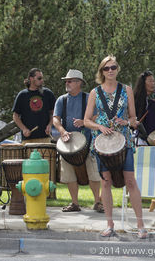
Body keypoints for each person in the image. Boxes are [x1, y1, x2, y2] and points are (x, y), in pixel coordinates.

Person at [83, 55, 147, 239]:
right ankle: (110, 224)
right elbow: (86, 120)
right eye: (106, 68)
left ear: (117, 69)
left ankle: (140, 224)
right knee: (105, 182)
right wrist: (100, 127)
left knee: (130, 181)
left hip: (124, 141)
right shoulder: (95, 92)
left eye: (113, 67)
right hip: (103, 143)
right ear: (101, 71)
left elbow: (134, 119)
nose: (110, 71)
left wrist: (126, 121)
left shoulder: (126, 90)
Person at [53, 69, 103, 213]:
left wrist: (85, 122)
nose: (67, 83)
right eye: (66, 81)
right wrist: (62, 131)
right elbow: (55, 119)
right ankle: (75, 203)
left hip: (88, 141)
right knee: (69, 175)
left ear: (79, 83)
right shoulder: (61, 100)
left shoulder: (88, 98)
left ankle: (97, 202)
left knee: (94, 173)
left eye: (70, 81)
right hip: (68, 142)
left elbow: (98, 114)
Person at [12, 68, 56, 144]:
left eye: (42, 78)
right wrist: (24, 129)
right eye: (39, 78)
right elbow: (15, 116)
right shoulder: (22, 95)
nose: (42, 80)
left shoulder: (48, 93)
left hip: (45, 138)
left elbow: (54, 114)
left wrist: (50, 125)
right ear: (31, 79)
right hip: (28, 140)